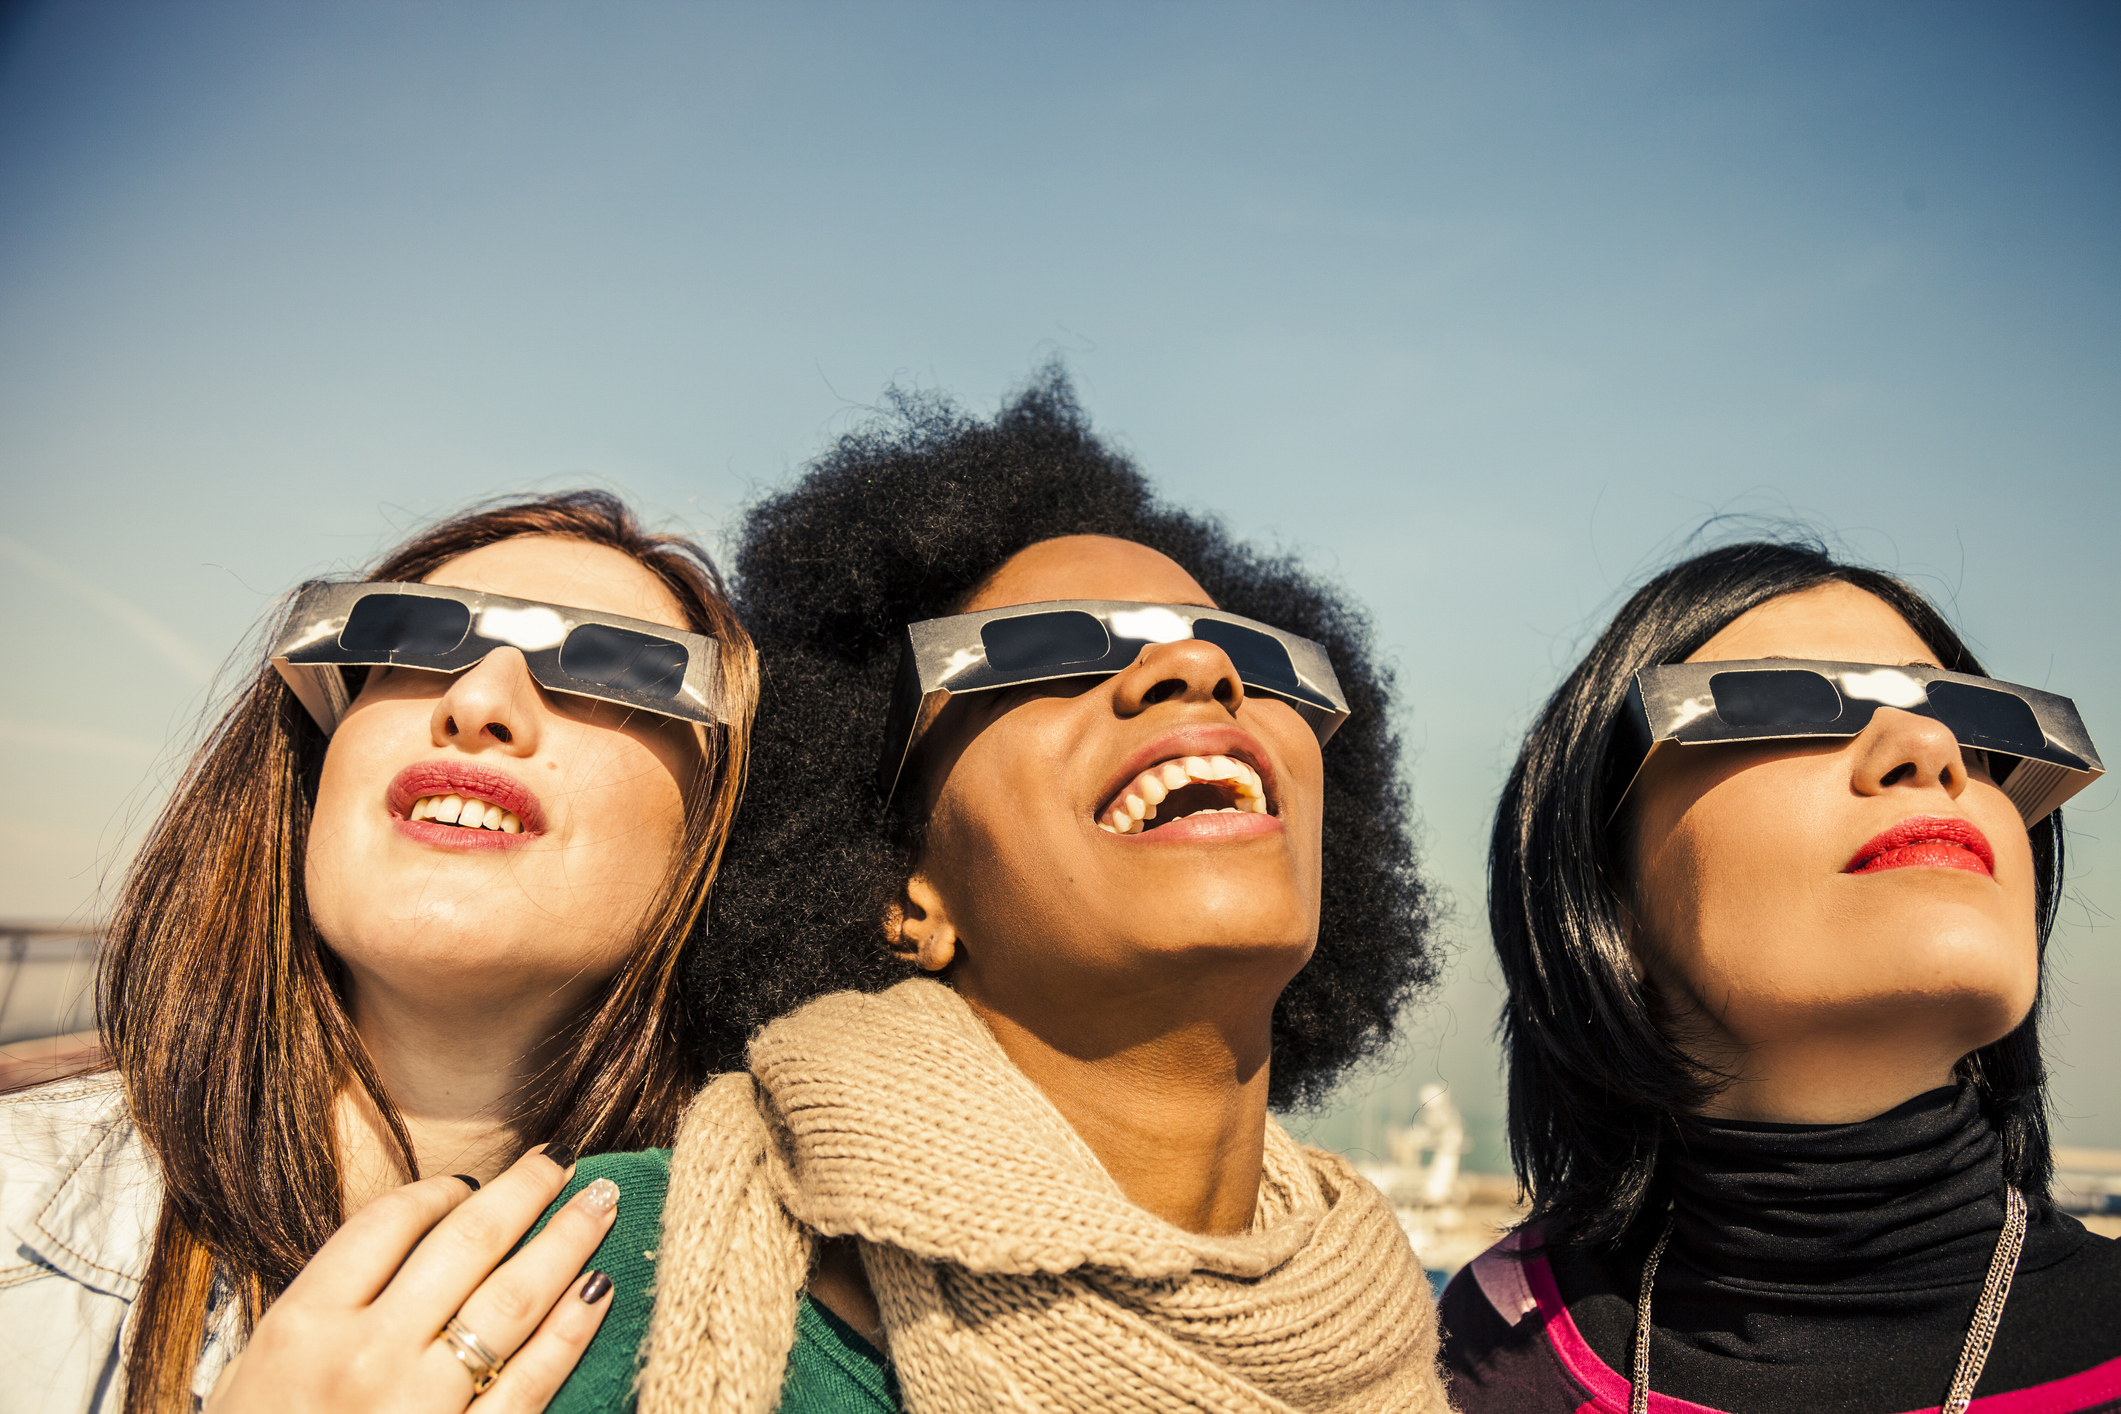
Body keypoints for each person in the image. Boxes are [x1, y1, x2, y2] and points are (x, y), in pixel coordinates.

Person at [535, 370, 1450, 1413]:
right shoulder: (580, 1291)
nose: (1198, 669)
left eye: (1246, 650)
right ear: (904, 891)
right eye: (1050, 651)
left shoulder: (1412, 1355)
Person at [0, 491, 757, 1413]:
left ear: (718, 826)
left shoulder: (838, 1323)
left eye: (610, 665)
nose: (479, 701)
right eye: (418, 640)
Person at [1441, 539, 2121, 1412]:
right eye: (1789, 700)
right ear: (1606, 890)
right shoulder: (1475, 1350)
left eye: (1972, 718)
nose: (1928, 746)